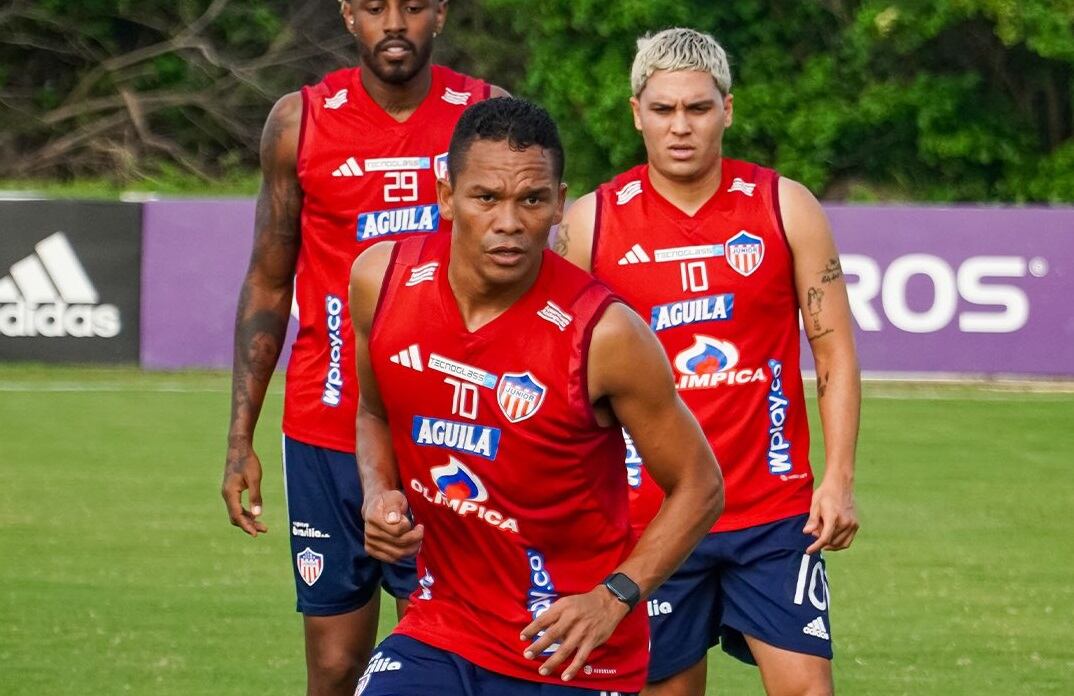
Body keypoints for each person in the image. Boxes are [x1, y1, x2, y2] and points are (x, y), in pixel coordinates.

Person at [346, 97, 723, 696]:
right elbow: (372, 411)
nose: (510, 222)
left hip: (572, 648)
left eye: (532, 200)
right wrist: (378, 490)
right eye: (485, 197)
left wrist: (614, 598)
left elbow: (701, 483)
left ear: (558, 204)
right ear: (446, 196)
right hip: (445, 626)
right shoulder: (380, 281)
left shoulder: (607, 335)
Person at [555, 28, 861, 696]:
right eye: (663, 110)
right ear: (636, 113)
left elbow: (832, 345)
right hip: (652, 520)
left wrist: (836, 478)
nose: (680, 126)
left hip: (775, 514)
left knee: (810, 689)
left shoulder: (785, 206)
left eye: (698, 108)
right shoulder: (591, 224)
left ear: (728, 108)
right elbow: (558, 374)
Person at [220, 2, 507, 694]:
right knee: (335, 666)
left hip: (447, 432)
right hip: (326, 431)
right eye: (376, 6)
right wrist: (239, 438)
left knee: (450, 655)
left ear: (439, 12)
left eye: (412, 5)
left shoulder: (486, 115)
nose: (395, 22)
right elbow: (268, 279)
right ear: (349, 15)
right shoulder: (300, 122)